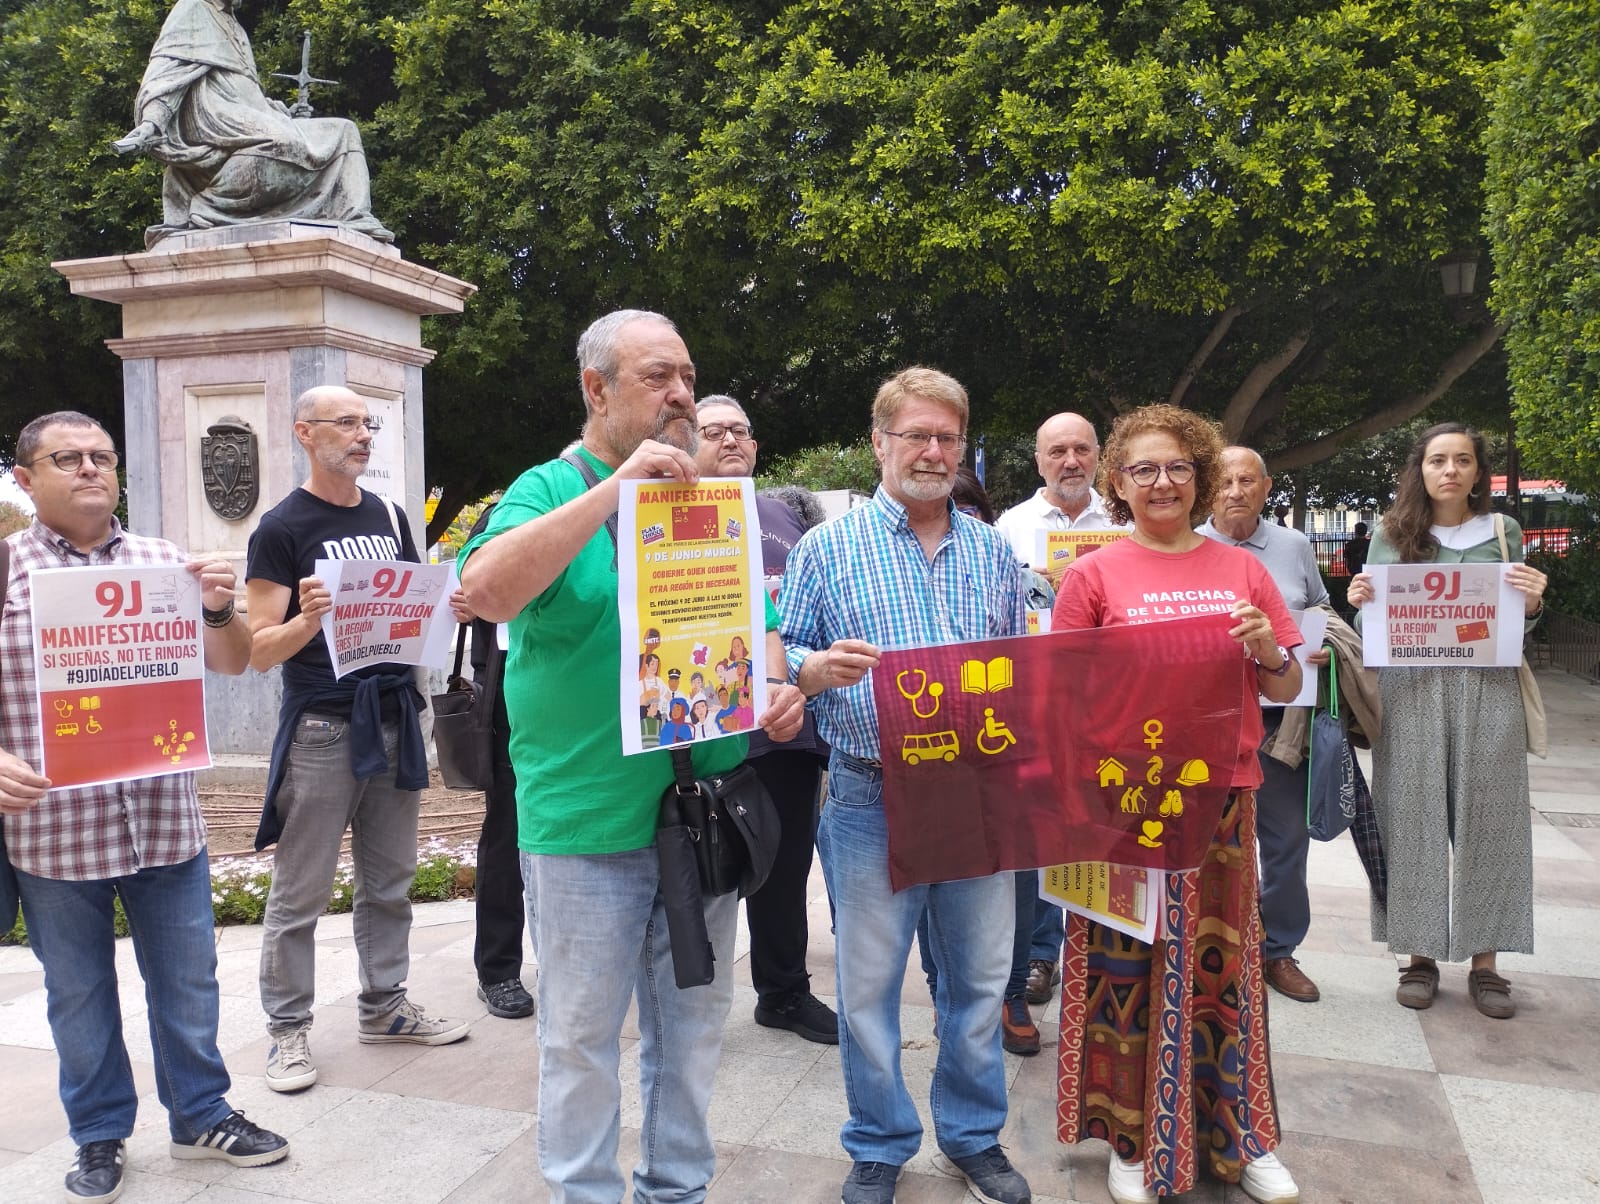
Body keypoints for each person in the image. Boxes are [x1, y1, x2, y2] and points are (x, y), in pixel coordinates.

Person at [456, 309, 805, 1203]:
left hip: (703, 819)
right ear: (597, 389)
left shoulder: (708, 500)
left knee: (691, 1033)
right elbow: (485, 590)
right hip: (587, 827)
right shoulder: (548, 487)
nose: (681, 395)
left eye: (687, 376)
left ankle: (676, 1188)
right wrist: (615, 491)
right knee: (579, 1040)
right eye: (658, 377)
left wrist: (775, 684)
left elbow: (758, 625)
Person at [0, 411, 288, 1202]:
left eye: (102, 456)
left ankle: (201, 1116)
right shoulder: (4, 570)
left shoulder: (166, 564)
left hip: (164, 822)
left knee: (189, 983)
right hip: (53, 834)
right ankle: (98, 1133)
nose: (91, 469)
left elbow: (232, 663)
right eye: (68, 459)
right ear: (25, 479)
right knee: (79, 994)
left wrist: (219, 608)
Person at [781, 367, 1033, 1204]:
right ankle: (880, 1141)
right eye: (916, 435)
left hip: (974, 795)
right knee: (867, 990)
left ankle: (972, 1135)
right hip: (870, 795)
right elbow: (781, 651)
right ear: (879, 442)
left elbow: (1015, 663)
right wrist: (812, 668)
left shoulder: (991, 550)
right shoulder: (826, 548)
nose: (932, 452)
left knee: (980, 981)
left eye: (947, 438)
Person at [1050, 404, 1303, 1204]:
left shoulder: (1243, 571)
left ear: (1200, 477)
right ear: (1118, 483)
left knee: (1224, 971)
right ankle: (1130, 1138)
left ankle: (1239, 1135)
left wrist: (1266, 647)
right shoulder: (1093, 575)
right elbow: (1060, 695)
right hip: (1122, 806)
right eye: (1144, 469)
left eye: (1179, 468)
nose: (1163, 482)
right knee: (1125, 964)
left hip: (1219, 802)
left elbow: (1287, 684)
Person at [246, 385, 469, 1095]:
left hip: (395, 718)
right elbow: (257, 649)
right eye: (345, 423)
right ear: (305, 433)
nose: (363, 434)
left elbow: (411, 606)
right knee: (301, 891)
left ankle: (386, 1007)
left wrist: (449, 605)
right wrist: (306, 622)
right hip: (324, 727)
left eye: (366, 422)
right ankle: (287, 1029)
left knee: (391, 880)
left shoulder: (390, 515)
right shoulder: (281, 528)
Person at [1344, 423, 1547, 1020]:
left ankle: (1486, 964)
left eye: (1462, 460)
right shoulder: (1391, 534)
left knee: (1493, 819)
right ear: (1422, 469)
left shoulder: (1503, 532)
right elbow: (1372, 632)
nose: (1450, 470)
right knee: (1411, 818)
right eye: (1438, 460)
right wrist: (1359, 604)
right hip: (1410, 692)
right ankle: (1419, 957)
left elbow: (1517, 623)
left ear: (1479, 471)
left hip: (1488, 689)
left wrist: (1533, 602)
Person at [692, 395, 840, 1046]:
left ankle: (783, 993)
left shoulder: (784, 515)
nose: (731, 441)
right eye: (714, 431)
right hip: (701, 725)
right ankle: (686, 1006)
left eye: (741, 431)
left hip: (785, 723)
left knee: (785, 867)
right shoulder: (658, 516)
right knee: (698, 870)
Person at [916, 467, 1056, 1058]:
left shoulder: (1025, 581)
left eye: (969, 513)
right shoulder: (910, 579)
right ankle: (942, 991)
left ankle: (1012, 993)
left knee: (1016, 879)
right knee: (933, 878)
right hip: (931, 756)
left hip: (1011, 754)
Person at [993, 414, 1125, 1013]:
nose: (1070, 461)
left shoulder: (1124, 522)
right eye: (1057, 451)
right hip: (1037, 704)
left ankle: (1103, 951)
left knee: (1103, 829)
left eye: (1081, 449)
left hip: (1111, 703)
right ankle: (1041, 955)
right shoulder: (1009, 528)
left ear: (1098, 455)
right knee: (1043, 834)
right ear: (1039, 460)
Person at [1199, 446, 1331, 1004]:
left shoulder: (1293, 546)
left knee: (1285, 840)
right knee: (1206, 845)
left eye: (1247, 481)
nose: (1235, 491)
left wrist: (1323, 643)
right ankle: (1211, 952)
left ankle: (1279, 950)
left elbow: (1321, 608)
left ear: (1267, 486)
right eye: (1225, 480)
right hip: (1205, 724)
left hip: (1281, 721)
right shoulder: (1187, 546)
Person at [114, 0, 393, 243]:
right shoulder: (192, 7)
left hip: (250, 113)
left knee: (345, 130)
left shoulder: (234, 25)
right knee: (283, 141)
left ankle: (355, 216)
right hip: (216, 119)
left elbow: (246, 91)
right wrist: (151, 124)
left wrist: (281, 111)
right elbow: (166, 77)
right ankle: (210, 206)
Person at [464, 504, 535, 1020]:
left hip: (589, 701)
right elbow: (463, 593)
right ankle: (498, 969)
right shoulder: (505, 514)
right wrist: (461, 605)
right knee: (507, 832)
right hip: (513, 701)